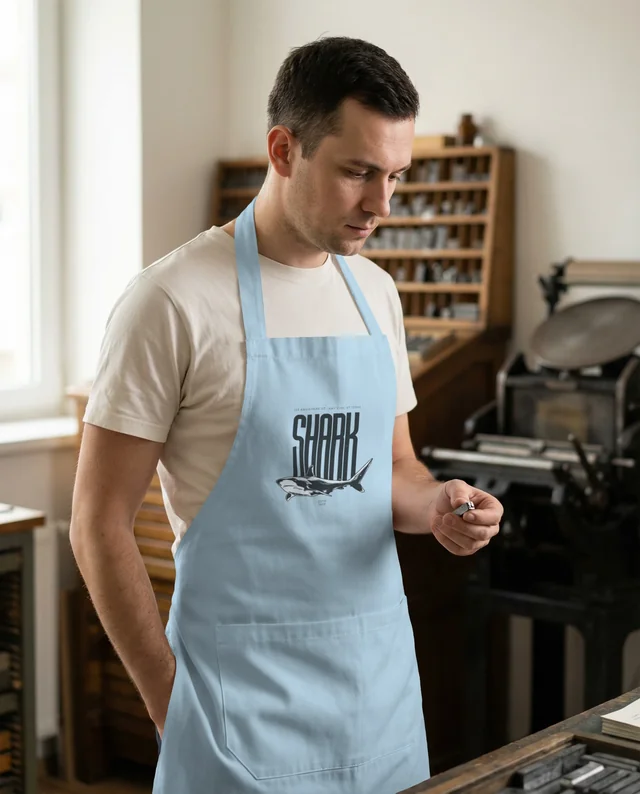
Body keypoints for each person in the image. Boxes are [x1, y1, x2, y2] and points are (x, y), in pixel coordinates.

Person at [70, 35, 503, 794]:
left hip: (376, 703)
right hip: (235, 716)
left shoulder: (376, 295)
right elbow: (97, 524)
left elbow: (394, 468)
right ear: (283, 150)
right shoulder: (171, 301)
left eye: (395, 176)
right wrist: (173, 709)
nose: (382, 205)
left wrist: (439, 504)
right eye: (358, 172)